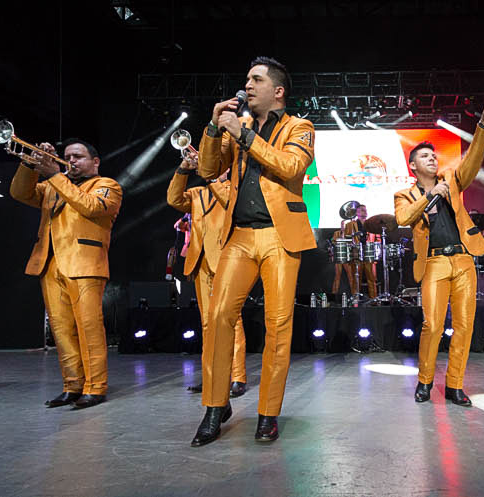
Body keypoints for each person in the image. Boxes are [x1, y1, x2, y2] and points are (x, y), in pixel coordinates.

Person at [192, 56, 316, 446]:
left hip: (280, 235)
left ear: (277, 91)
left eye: (256, 79)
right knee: (218, 318)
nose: (247, 84)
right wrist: (214, 126)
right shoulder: (237, 126)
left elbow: (291, 166)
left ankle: (268, 413)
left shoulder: (299, 127)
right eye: (246, 78)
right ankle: (215, 407)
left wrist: (243, 137)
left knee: (278, 325)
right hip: (239, 236)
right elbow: (208, 170)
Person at [394, 91, 484, 407]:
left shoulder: (452, 180)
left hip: (464, 259)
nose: (432, 159)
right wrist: (430, 197)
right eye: (425, 156)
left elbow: (473, 161)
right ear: (413, 166)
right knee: (433, 325)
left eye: (434, 155)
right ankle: (425, 381)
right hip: (434, 263)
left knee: (465, 326)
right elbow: (403, 218)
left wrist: (483, 126)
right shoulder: (404, 195)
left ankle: (455, 385)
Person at [10, 139, 122, 409]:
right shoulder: (53, 185)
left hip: (85, 264)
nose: (71, 160)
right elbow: (19, 192)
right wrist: (30, 162)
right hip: (50, 264)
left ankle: (95, 387)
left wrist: (55, 175)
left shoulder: (108, 185)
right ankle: (72, 385)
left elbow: (91, 207)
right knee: (61, 331)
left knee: (89, 328)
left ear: (95, 162)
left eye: (78, 156)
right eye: (67, 156)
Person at [167, 158, 248, 398]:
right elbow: (173, 199)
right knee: (207, 322)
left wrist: (212, 178)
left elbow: (230, 203)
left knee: (231, 319)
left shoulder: (236, 189)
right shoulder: (197, 193)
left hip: (227, 259)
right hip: (200, 261)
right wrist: (183, 169)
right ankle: (213, 375)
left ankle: (237, 377)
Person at [344, 204, 378, 298]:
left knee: (371, 279)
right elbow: (346, 239)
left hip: (369, 254)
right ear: (357, 213)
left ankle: (374, 299)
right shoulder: (350, 225)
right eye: (362, 210)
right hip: (356, 254)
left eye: (365, 210)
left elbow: (377, 239)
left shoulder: (371, 224)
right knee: (356, 278)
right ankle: (356, 299)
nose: (365, 212)